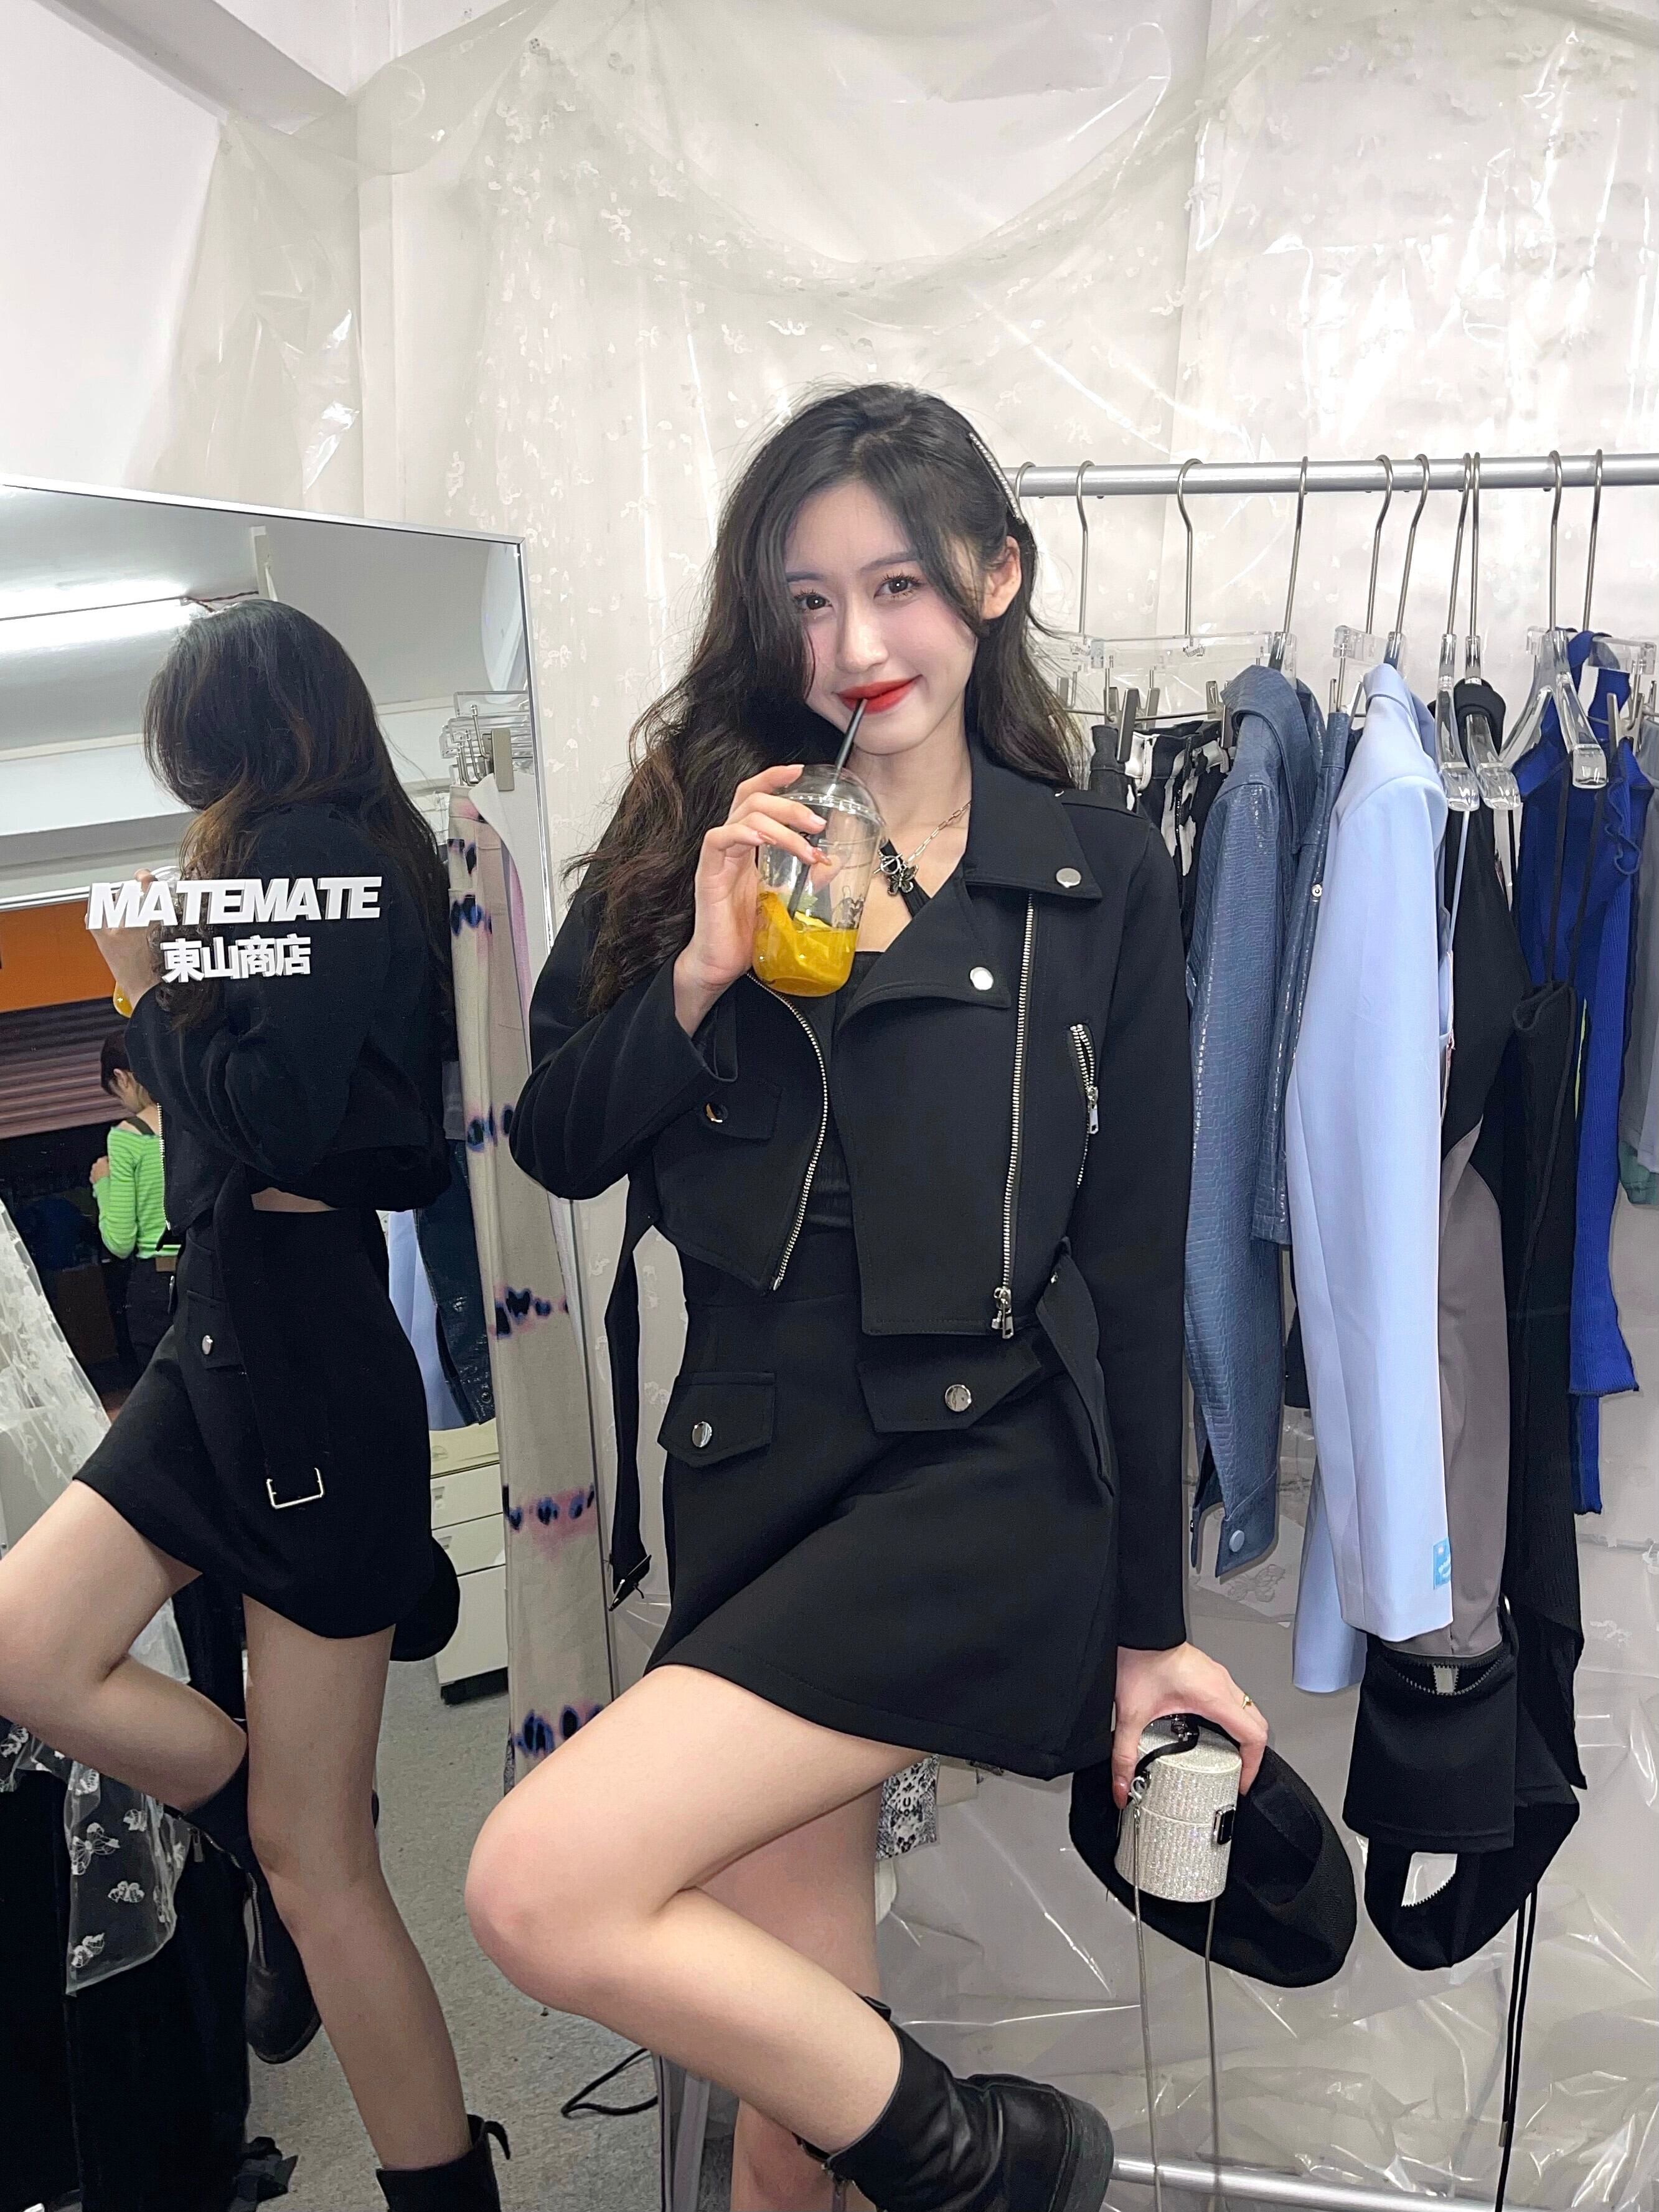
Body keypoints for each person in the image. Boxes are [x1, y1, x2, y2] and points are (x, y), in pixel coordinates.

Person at [467, 383, 1269, 2212]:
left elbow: (1134, 1269)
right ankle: (921, 2140)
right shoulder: (701, 832)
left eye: (896, 584)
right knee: (789, 2072)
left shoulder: (1094, 875)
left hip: (980, 1478)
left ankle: (969, 2155)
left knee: (535, 1880)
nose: (853, 645)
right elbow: (558, 1141)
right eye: (808, 601)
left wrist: (1148, 1628)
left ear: (994, 577)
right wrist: (697, 971)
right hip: (753, 1466)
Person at [0, 601, 506, 2210]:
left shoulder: (307, 850)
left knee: (325, 1866)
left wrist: (146, 992)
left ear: (235, 730)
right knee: (33, 1649)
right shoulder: (319, 862)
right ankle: (262, 1825)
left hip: (289, 1349)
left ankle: (439, 2177)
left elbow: (278, 1120)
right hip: (228, 1337)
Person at [90, 1028, 179, 1373]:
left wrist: (103, 1183)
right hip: (211, 1270)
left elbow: (120, 1241)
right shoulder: (195, 1118)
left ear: (122, 1077)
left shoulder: (127, 1137)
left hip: (158, 1283)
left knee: (168, 1391)